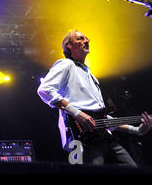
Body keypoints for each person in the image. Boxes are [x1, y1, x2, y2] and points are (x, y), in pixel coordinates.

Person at [37, 29, 151, 166]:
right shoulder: (66, 64)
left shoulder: (91, 75)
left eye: (86, 39)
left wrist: (136, 130)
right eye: (80, 39)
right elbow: (44, 89)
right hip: (81, 137)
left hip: (105, 136)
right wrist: (78, 113)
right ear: (68, 45)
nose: (86, 41)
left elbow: (101, 118)